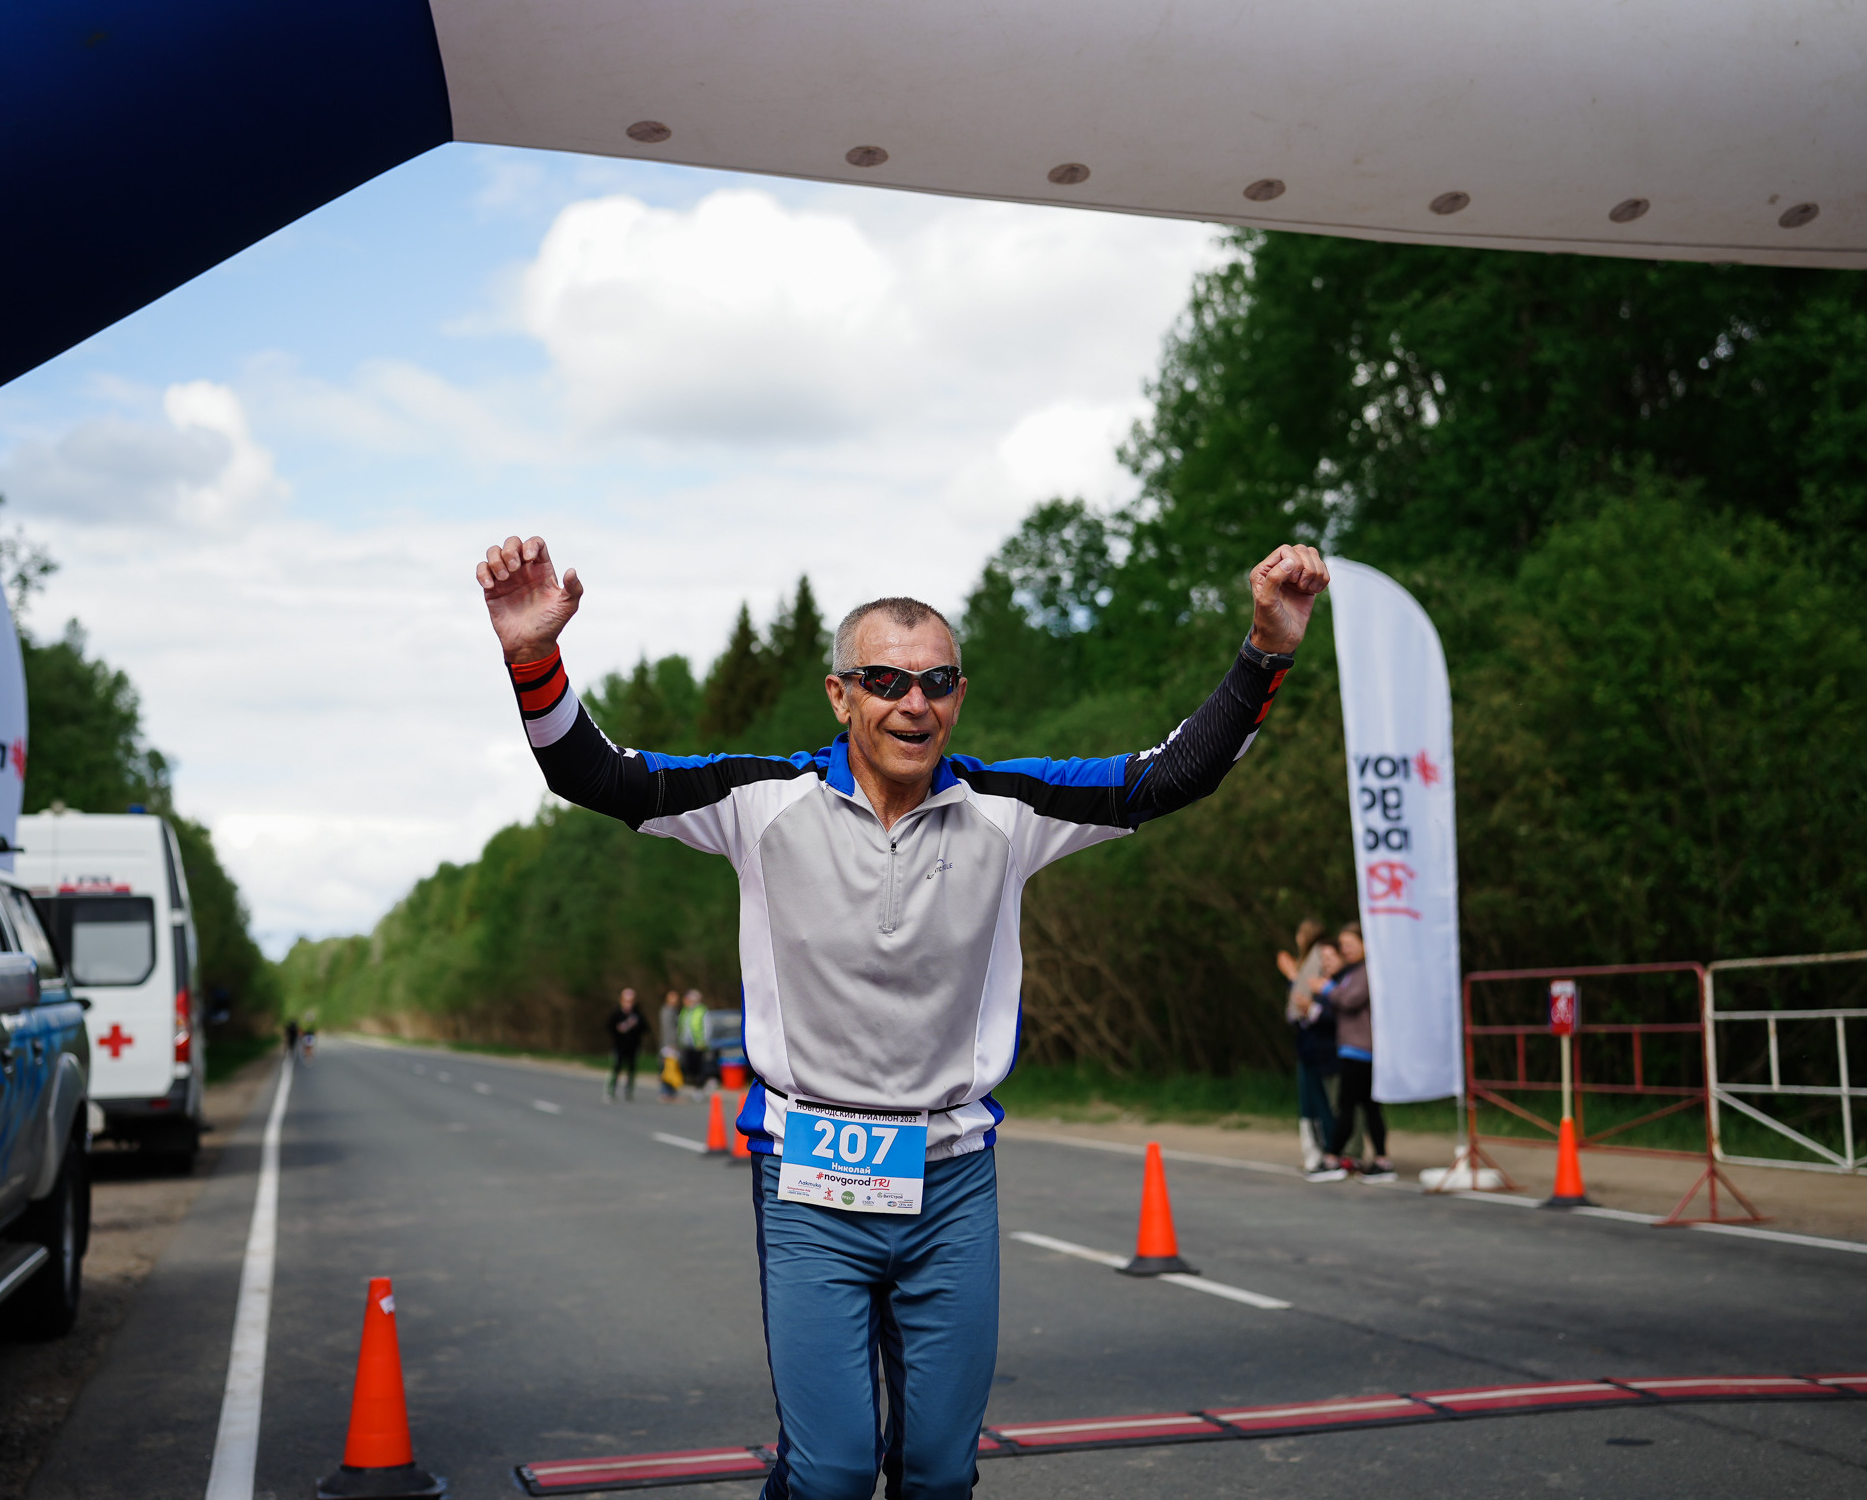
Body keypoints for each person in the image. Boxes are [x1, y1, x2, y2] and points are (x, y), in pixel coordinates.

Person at [476, 532, 1327, 1500]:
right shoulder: (762, 800)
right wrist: (534, 660)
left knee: (937, 1473)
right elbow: (597, 774)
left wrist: (1267, 649)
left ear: (959, 697)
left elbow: (1169, 775)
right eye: (884, 681)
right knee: (832, 1473)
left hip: (951, 1180)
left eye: (937, 682)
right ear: (840, 697)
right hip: (810, 1181)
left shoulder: (1009, 809)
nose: (913, 703)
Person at [1315, 922, 1392, 1180]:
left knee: (1349, 1106)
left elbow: (1349, 1000)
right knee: (1367, 1107)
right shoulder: (1353, 972)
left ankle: (1333, 1158)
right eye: (1342, 945)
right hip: (1352, 1048)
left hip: (1361, 1049)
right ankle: (1379, 1159)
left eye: (1349, 944)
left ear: (1365, 943)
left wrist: (1327, 989)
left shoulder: (1368, 971)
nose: (1345, 949)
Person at [1278, 919, 1338, 1175]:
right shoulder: (1310, 959)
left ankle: (1327, 1152)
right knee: (1310, 1101)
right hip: (1307, 1040)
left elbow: (1303, 1000)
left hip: (1317, 1041)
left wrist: (1293, 976)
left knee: (1320, 1100)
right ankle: (1315, 1152)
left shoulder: (1315, 956)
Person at [606, 987, 647, 1101]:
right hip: (619, 1045)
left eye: (631, 1001)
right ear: (621, 1000)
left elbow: (645, 1028)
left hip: (633, 1045)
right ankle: (611, 1090)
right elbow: (609, 1027)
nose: (629, 1003)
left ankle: (629, 1090)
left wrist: (636, 1026)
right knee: (616, 1067)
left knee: (631, 1069)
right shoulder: (616, 1013)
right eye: (626, 1001)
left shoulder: (637, 1014)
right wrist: (618, 1029)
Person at [679, 987, 710, 1091]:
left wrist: (705, 1040)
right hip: (687, 1043)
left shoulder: (701, 1010)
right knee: (689, 1065)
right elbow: (682, 1026)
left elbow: (707, 1027)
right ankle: (692, 1083)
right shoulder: (685, 1010)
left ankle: (699, 1085)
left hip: (698, 1043)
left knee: (699, 1066)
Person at [657, 988, 685, 1101]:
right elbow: (668, 1029)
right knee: (667, 1068)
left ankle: (671, 1092)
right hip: (668, 1045)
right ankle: (666, 1092)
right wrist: (671, 1044)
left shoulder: (675, 1011)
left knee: (672, 1068)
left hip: (672, 1044)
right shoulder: (667, 1011)